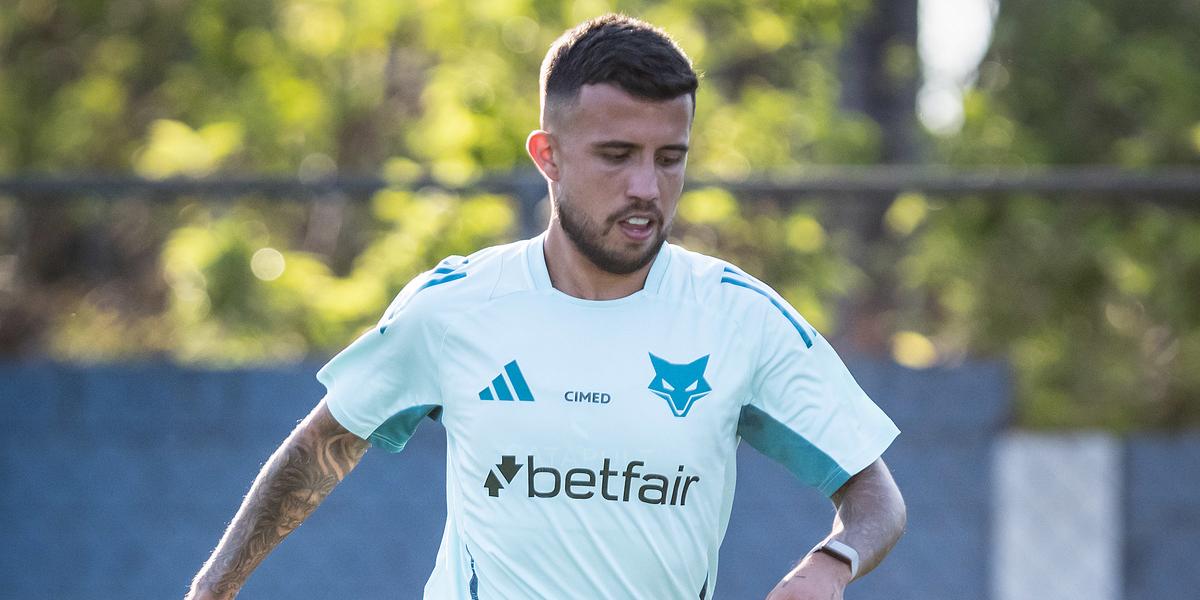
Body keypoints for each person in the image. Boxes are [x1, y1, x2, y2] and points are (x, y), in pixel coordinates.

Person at [186, 14, 905, 600]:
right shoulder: (457, 307)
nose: (647, 188)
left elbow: (877, 497)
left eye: (669, 157)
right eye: (616, 154)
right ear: (547, 155)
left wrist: (831, 563)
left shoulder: (741, 319)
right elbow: (316, 452)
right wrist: (210, 592)